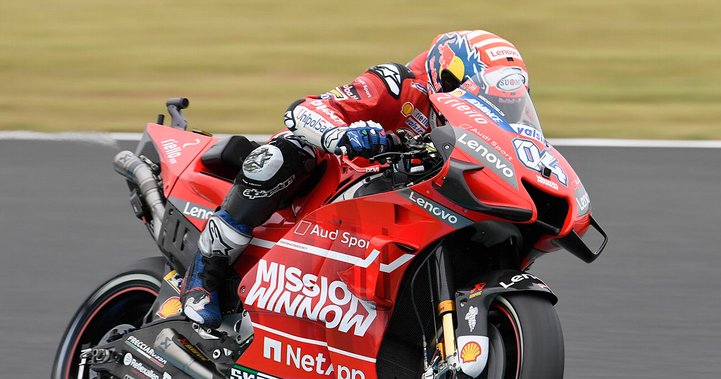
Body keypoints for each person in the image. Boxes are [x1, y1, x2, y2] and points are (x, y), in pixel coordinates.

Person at [180, 30, 530, 328]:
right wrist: (339, 135)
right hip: (339, 186)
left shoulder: (491, 124)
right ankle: (206, 271)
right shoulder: (397, 85)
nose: (499, 108)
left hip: (412, 213)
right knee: (283, 155)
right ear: (450, 77)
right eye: (492, 98)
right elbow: (304, 110)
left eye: (508, 103)